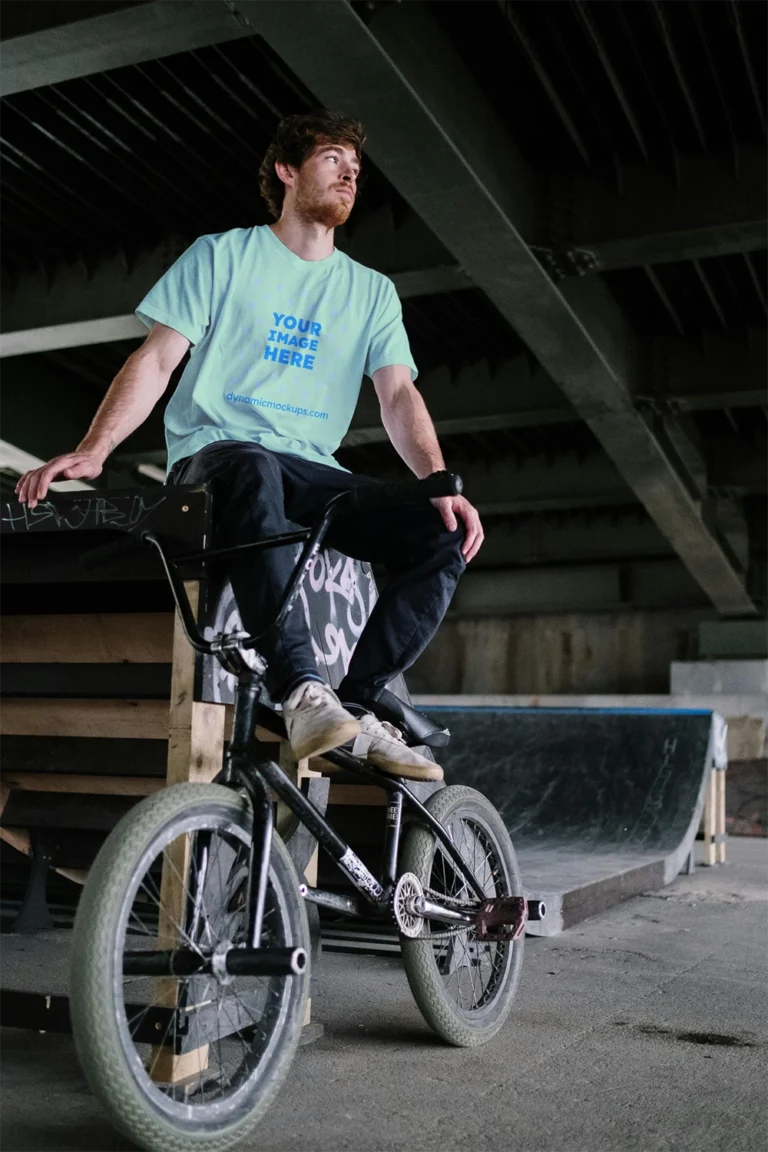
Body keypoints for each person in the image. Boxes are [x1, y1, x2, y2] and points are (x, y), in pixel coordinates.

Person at [15, 111, 483, 781]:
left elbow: (398, 396)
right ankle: (303, 691)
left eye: (355, 165)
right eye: (331, 158)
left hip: (312, 469)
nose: (349, 171)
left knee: (437, 532)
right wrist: (96, 448)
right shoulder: (222, 255)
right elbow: (156, 360)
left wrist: (437, 482)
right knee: (254, 464)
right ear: (287, 172)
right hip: (219, 456)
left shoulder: (371, 292)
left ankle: (356, 707)